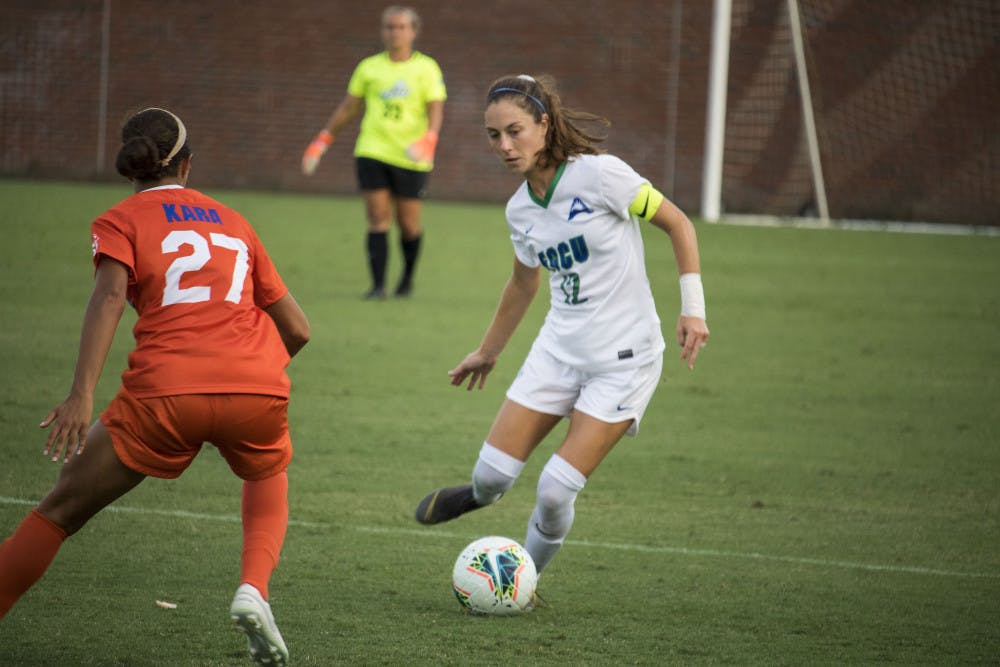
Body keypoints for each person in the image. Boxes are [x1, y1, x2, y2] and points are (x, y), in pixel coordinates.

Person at [0, 108, 310, 666]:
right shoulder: (234, 221)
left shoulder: (120, 219)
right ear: (187, 164)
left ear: (132, 167)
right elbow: (298, 329)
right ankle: (254, 589)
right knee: (268, 474)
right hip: (257, 389)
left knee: (60, 511)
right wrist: (251, 377)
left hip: (165, 393)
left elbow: (110, 298)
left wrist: (81, 394)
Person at [414, 75, 711, 585]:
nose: (505, 147)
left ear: (544, 124)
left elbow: (678, 223)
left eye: (515, 131)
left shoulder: (601, 178)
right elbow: (521, 285)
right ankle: (479, 497)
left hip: (624, 362)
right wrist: (488, 351)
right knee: (491, 478)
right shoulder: (520, 210)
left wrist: (693, 310)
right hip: (557, 353)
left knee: (553, 491)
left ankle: (520, 584)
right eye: (494, 136)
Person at [302, 5, 446, 300]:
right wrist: (321, 141)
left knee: (408, 224)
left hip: (411, 155)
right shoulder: (369, 67)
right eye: (389, 27)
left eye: (401, 27)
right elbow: (348, 107)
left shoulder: (427, 68)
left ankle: (406, 279)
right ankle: (378, 287)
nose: (395, 32)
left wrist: (430, 138)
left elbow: (436, 108)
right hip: (372, 150)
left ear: (413, 32)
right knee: (378, 218)